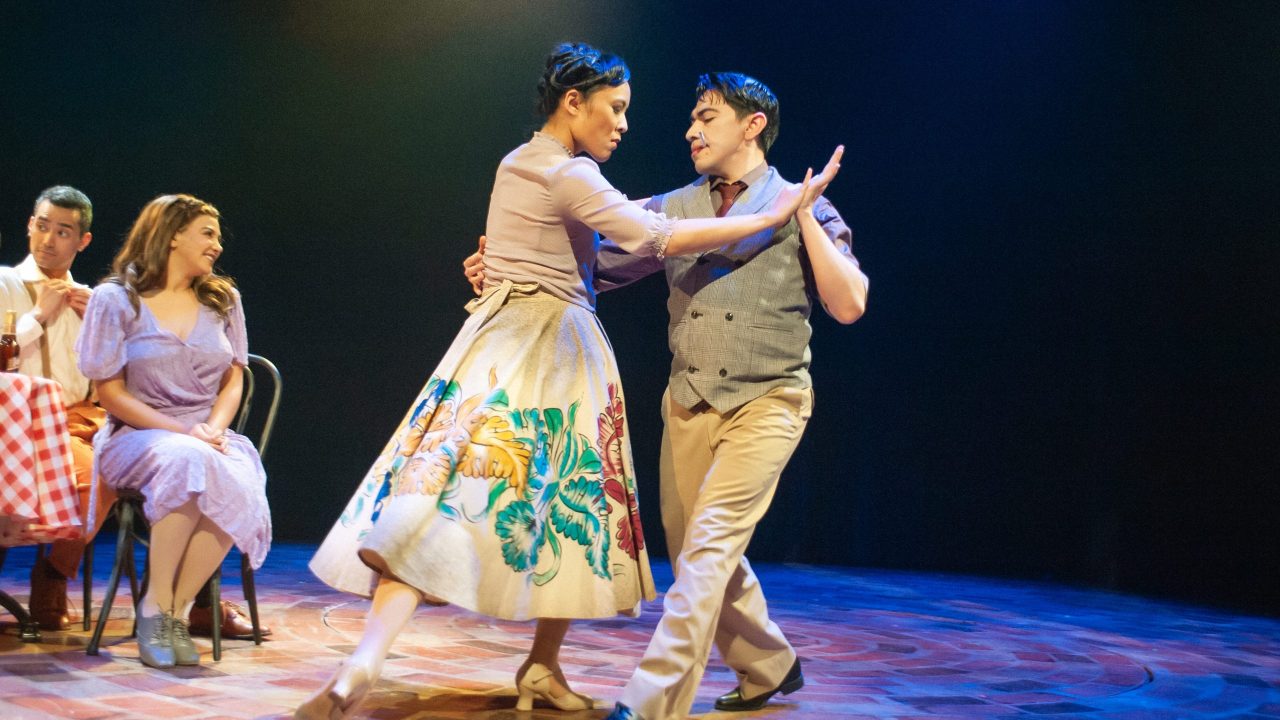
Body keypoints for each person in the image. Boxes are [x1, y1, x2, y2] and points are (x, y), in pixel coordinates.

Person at [300, 44, 826, 719]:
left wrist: (497, 264)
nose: (625, 124)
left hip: (495, 344)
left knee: (475, 499)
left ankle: (506, 667)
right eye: (614, 108)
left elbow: (562, 245)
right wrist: (768, 215)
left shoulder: (516, 163)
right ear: (571, 102)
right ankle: (436, 666)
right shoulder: (571, 172)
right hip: (550, 351)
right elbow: (651, 235)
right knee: (562, 505)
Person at [466, 72, 866, 720]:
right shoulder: (675, 206)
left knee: (707, 551)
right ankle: (769, 664)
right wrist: (506, 263)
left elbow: (849, 303)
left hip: (769, 403)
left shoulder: (805, 203)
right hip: (688, 403)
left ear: (752, 125)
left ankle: (649, 702)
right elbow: (590, 259)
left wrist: (801, 214)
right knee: (697, 557)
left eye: (706, 116)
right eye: (691, 119)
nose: (691, 129)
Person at [75, 194, 272, 668]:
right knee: (187, 459)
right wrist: (181, 431)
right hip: (135, 436)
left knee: (242, 477)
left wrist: (213, 427)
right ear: (173, 234)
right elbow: (110, 393)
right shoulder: (117, 299)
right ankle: (153, 606)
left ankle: (175, 612)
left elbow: (235, 377)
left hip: (205, 435)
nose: (218, 245)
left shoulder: (223, 300)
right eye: (208, 233)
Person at [0, 185, 113, 631]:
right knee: (94, 476)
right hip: (20, 422)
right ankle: (48, 575)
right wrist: (36, 319)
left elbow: (115, 377)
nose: (48, 240)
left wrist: (100, 331)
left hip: (86, 418)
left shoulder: (93, 298)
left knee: (118, 467)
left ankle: (54, 573)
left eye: (63, 231)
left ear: (82, 241)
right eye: (42, 226)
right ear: (30, 225)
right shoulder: (5, 283)